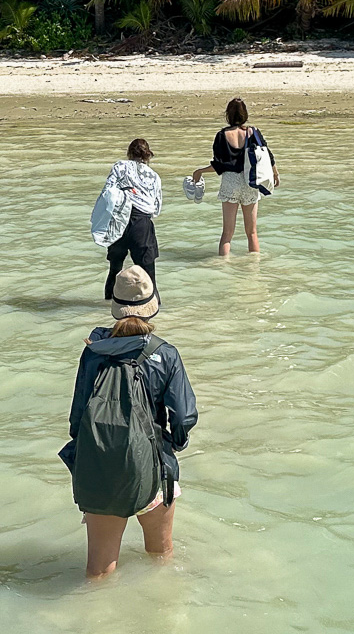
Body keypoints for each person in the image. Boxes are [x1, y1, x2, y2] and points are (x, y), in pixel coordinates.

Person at [64, 265, 197, 580]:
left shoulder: (93, 351)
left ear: (115, 306)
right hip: (152, 469)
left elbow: (77, 416)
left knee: (98, 571)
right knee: (160, 556)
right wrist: (174, 444)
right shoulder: (165, 355)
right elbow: (184, 416)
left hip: (100, 470)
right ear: (152, 306)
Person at [189, 97, 278, 256]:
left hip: (230, 182)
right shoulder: (253, 132)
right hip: (250, 180)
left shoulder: (221, 135)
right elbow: (267, 155)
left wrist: (200, 171)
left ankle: (223, 267)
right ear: (245, 114)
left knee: (227, 234)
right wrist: (275, 173)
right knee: (251, 233)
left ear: (228, 115)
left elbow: (219, 165)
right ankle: (254, 269)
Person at [99, 138, 163, 301]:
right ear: (148, 156)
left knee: (114, 271)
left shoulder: (120, 166)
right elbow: (156, 209)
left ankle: (109, 307)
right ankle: (154, 311)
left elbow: (108, 192)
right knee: (148, 277)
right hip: (141, 224)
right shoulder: (154, 177)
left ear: (129, 153)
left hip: (119, 220)